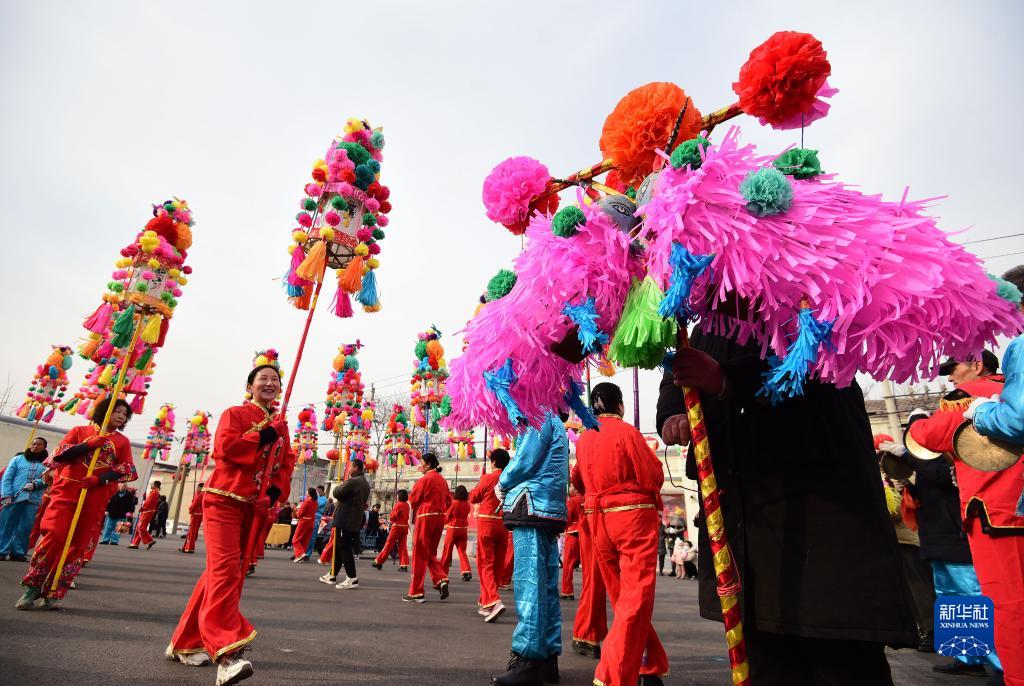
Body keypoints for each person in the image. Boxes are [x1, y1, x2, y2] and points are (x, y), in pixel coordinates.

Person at [658, 327, 918, 685]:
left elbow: (817, 366)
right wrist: (674, 413)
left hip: (824, 532)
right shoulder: (703, 326)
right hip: (746, 540)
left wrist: (726, 380)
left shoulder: (810, 300)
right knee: (766, 661)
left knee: (842, 663)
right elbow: (674, 378)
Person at [166, 361, 296, 686]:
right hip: (223, 500)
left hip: (252, 509)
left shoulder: (281, 425)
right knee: (225, 572)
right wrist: (267, 434)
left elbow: (286, 463)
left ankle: (184, 641)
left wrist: (275, 492)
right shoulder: (235, 414)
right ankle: (227, 653)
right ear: (250, 386)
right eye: (262, 378)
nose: (269, 383)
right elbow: (225, 448)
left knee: (225, 575)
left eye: (274, 380)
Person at [908, 350, 1023, 685]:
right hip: (946, 529)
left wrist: (917, 438)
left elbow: (928, 439)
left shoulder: (966, 400)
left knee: (990, 599)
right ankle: (965, 653)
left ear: (977, 365)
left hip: (987, 518)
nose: (949, 377)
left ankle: (996, 663)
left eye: (953, 368)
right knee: (954, 594)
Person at [573, 383, 668, 686]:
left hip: (598, 522)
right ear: (620, 405)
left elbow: (577, 479)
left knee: (624, 599)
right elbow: (652, 476)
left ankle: (648, 663)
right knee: (636, 598)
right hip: (631, 521)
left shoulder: (584, 438)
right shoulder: (627, 432)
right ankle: (610, 675)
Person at [17, 396, 138, 609]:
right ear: (105, 411)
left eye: (125, 414)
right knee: (55, 534)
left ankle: (54, 590)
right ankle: (33, 586)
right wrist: (87, 445)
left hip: (95, 497)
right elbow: (58, 456)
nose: (121, 416)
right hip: (66, 492)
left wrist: (100, 479)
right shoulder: (80, 431)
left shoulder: (122, 442)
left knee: (77, 544)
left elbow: (127, 469)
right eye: (117, 411)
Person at [491, 411, 568, 686]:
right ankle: (547, 657)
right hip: (546, 505)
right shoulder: (553, 417)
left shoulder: (540, 413)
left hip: (530, 501)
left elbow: (525, 458)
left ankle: (529, 658)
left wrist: (503, 481)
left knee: (529, 583)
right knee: (545, 585)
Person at [403, 452, 451, 603]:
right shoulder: (443, 481)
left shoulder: (424, 480)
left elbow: (414, 500)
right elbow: (449, 502)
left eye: (421, 462)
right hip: (440, 518)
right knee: (429, 552)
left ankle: (417, 591)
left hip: (425, 517)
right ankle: (440, 578)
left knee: (419, 553)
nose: (420, 465)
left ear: (428, 464)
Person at [470, 449, 510, 622]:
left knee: (485, 563)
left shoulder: (488, 478)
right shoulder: (511, 478)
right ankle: (486, 601)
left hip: (487, 522)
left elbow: (474, 497)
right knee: (497, 565)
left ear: (493, 462)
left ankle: (493, 600)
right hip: (504, 524)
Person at [319, 459, 371, 589]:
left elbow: (337, 492)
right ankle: (332, 574)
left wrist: (339, 487)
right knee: (339, 547)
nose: (349, 469)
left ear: (356, 468)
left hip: (345, 519)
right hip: (353, 519)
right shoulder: (364, 483)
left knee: (345, 548)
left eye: (351, 467)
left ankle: (352, 577)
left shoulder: (353, 481)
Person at [0, 437, 49, 561]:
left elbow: (47, 480)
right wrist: (6, 495)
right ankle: (2, 550)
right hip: (13, 498)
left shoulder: (47, 464)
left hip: (33, 500)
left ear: (44, 447)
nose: (35, 446)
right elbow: (7, 478)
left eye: (38, 444)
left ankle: (18, 552)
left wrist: (36, 484)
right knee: (6, 524)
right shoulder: (17, 459)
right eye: (33, 444)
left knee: (25, 526)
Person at [373, 490, 411, 571]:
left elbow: (392, 517)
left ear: (399, 496)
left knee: (388, 545)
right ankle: (404, 565)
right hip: (404, 527)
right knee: (403, 547)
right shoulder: (407, 505)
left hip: (397, 527)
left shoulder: (398, 504)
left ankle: (379, 561)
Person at [441, 485, 472, 582]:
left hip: (453, 529)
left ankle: (443, 573)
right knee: (462, 552)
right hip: (463, 529)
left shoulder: (454, 503)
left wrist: (443, 523)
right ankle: (466, 571)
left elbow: (448, 516)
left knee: (447, 552)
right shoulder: (467, 504)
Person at [560, 485, 582, 599]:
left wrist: (560, 530)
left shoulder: (573, 501)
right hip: (586, 535)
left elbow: (567, 518)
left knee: (568, 565)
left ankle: (567, 590)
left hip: (573, 534)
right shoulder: (586, 498)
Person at [129, 480, 162, 549]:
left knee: (141, 527)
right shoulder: (153, 492)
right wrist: (145, 498)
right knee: (139, 527)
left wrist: (142, 508)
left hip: (147, 512)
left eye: (152, 484)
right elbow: (148, 501)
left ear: (155, 485)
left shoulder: (154, 492)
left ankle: (150, 540)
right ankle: (135, 543)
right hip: (146, 511)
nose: (150, 485)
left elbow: (148, 503)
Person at [291, 488, 319, 562]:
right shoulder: (315, 502)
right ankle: (302, 555)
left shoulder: (307, 501)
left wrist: (297, 511)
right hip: (311, 522)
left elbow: (300, 513)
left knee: (295, 539)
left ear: (309, 493)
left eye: (307, 492)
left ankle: (300, 554)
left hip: (304, 521)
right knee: (305, 540)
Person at [180, 484, 205, 553]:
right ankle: (185, 547)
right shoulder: (203, 494)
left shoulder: (200, 495)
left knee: (192, 532)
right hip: (199, 515)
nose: (197, 489)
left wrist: (190, 510)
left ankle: (190, 548)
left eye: (198, 487)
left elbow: (195, 504)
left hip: (196, 514)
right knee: (191, 532)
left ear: (200, 487)